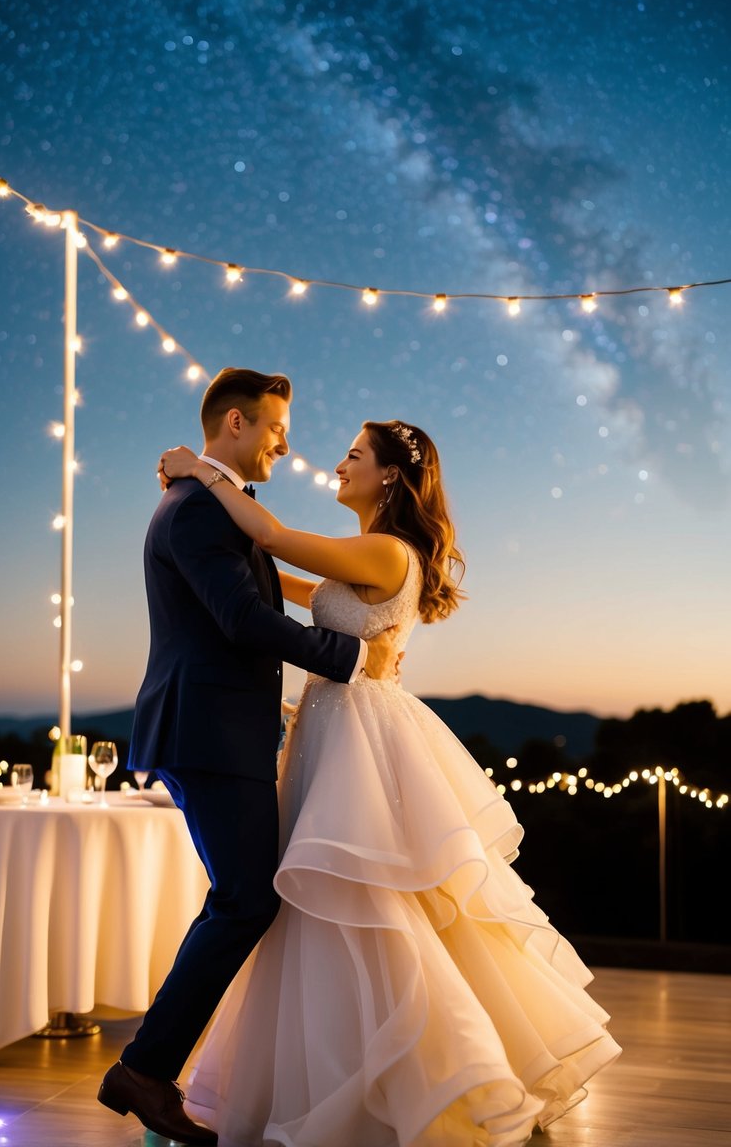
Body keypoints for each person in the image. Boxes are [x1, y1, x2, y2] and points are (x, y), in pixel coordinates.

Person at [157, 418, 621, 1147]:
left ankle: (430, 1072)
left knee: (366, 895)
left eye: (353, 456)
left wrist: (203, 472)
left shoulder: (383, 549)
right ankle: (337, 1065)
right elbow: (279, 573)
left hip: (358, 738)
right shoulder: (364, 557)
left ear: (389, 478)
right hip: (333, 725)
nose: (336, 465)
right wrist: (215, 552)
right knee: (328, 899)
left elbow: (274, 539)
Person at [97, 368, 399, 1145]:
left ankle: (151, 1070)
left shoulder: (205, 500)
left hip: (220, 729)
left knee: (246, 896)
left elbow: (262, 589)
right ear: (235, 423)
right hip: (206, 731)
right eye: (274, 429)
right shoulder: (198, 509)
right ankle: (144, 1072)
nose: (286, 443)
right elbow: (237, 617)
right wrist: (351, 658)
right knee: (246, 898)